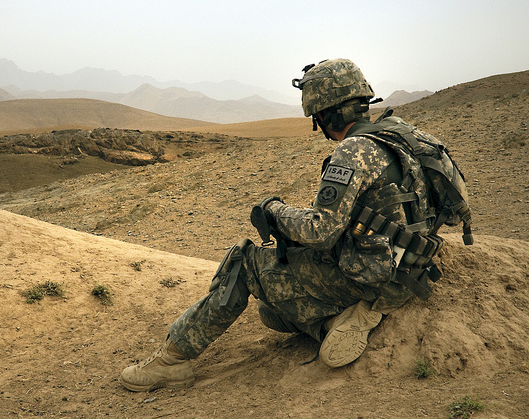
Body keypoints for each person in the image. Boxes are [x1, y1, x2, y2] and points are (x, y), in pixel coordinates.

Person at [119, 58, 471, 392]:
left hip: (363, 276)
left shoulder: (354, 151)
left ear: (327, 114)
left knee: (245, 261)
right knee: (270, 313)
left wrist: (275, 210)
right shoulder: (399, 134)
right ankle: (335, 322)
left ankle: (171, 360)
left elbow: (320, 231)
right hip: (405, 274)